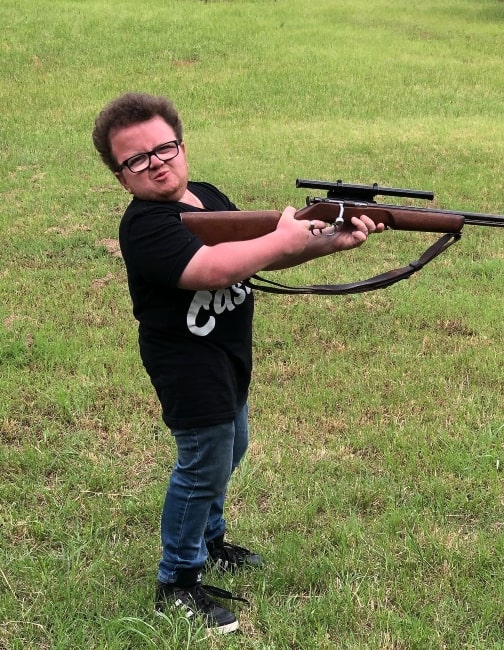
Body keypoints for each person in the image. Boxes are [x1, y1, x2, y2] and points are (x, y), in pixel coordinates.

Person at [92, 92, 383, 635]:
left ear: (182, 145)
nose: (156, 162)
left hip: (227, 353)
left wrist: (331, 242)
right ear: (121, 176)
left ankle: (209, 538)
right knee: (203, 463)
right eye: (136, 159)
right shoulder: (145, 226)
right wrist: (282, 235)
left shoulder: (206, 198)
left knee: (233, 445)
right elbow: (212, 268)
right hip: (185, 362)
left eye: (165, 147)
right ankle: (176, 580)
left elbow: (267, 249)